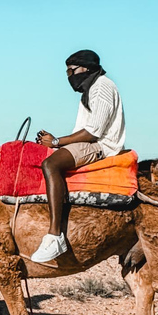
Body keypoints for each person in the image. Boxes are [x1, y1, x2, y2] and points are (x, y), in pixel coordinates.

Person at [30, 49, 126, 263]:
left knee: (51, 165)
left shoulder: (101, 87)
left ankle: (55, 236)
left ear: (86, 68)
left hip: (100, 146)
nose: (70, 77)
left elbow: (93, 132)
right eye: (67, 73)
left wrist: (56, 142)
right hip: (91, 142)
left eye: (72, 71)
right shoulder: (90, 89)